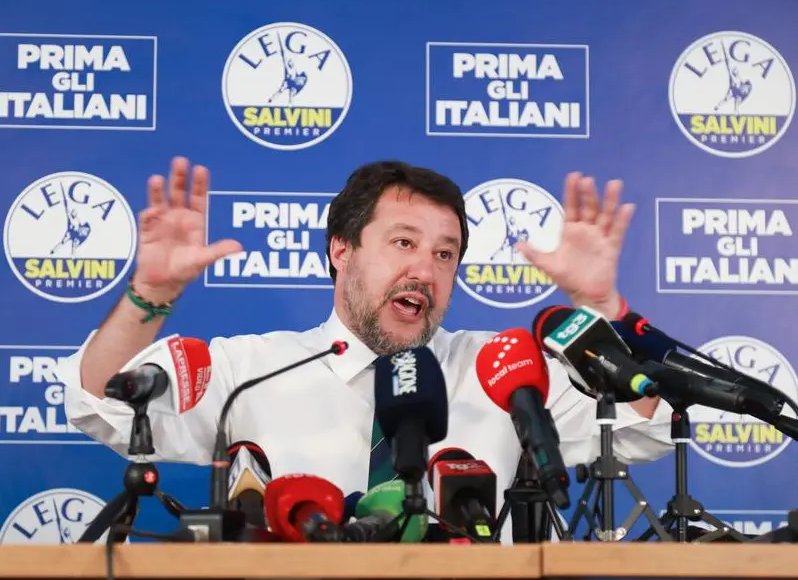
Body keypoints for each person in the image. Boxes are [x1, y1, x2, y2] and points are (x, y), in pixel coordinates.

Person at [57, 157, 673, 542]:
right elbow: (101, 403)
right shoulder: (252, 370)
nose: (425, 271)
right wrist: (151, 294)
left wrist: (603, 305)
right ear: (341, 250)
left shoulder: (505, 372)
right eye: (403, 243)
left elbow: (646, 424)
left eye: (444, 254)